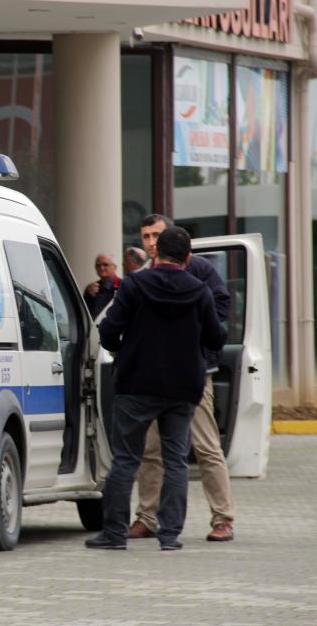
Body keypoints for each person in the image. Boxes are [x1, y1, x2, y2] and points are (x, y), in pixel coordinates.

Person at [86, 226, 227, 551]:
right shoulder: (199, 290)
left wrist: (123, 351)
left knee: (125, 459)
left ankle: (114, 534)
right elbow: (216, 337)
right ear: (188, 257)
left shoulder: (134, 284)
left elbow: (109, 329)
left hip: (136, 384)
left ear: (157, 253)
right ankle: (169, 536)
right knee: (176, 459)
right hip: (182, 388)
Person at [130, 213, 236, 542]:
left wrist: (197, 342)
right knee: (150, 450)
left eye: (156, 235)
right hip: (153, 379)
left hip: (194, 374)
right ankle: (147, 517)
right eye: (145, 236)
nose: (150, 242)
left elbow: (221, 307)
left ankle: (223, 519)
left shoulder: (199, 268)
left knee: (205, 447)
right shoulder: (143, 276)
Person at [83, 253, 120, 318]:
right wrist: (89, 296)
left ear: (114, 267)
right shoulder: (91, 288)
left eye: (105, 265)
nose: (101, 268)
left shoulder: (123, 286)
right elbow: (85, 312)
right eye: (98, 265)